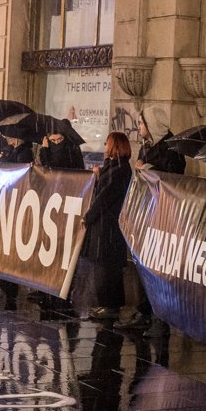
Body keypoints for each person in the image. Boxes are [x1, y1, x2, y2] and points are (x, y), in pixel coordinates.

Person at [84, 131, 134, 323]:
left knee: (107, 266)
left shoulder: (120, 170)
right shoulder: (113, 167)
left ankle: (110, 305)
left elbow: (105, 197)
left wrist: (89, 216)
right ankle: (106, 303)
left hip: (109, 224)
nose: (105, 148)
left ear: (115, 147)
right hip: (105, 223)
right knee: (101, 265)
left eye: (107, 144)